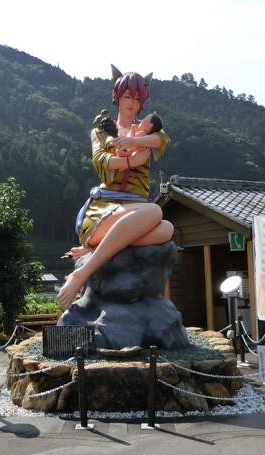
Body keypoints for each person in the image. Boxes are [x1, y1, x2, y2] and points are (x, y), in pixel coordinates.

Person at [57, 66, 172, 310]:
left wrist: (133, 141)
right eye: (128, 96)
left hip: (135, 210)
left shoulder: (148, 129)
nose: (132, 103)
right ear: (117, 96)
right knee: (155, 213)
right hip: (104, 209)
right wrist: (131, 160)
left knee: (167, 230)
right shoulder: (101, 130)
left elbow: (162, 140)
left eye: (138, 98)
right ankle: (81, 274)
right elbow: (102, 161)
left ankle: (96, 248)